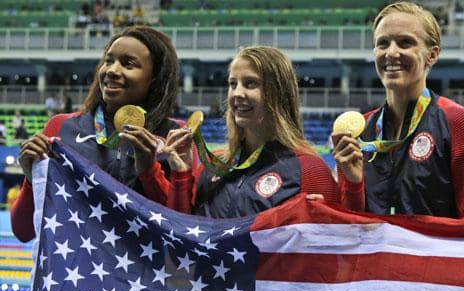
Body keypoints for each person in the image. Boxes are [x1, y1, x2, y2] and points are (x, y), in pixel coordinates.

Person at [331, 1, 464, 218]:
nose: (391, 52)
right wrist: (352, 183)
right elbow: (352, 226)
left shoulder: (459, 122)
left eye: (405, 43)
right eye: (383, 43)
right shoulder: (361, 131)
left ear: (432, 55)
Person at [11, 25, 183, 243]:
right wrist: (32, 178)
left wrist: (149, 171)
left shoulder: (174, 136)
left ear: (155, 78)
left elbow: (181, 231)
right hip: (77, 273)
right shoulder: (61, 127)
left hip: (143, 275)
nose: (111, 70)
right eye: (108, 61)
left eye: (128, 64)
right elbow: (23, 231)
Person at [158, 46, 339, 218]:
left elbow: (333, 242)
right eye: (233, 84)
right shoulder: (214, 166)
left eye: (250, 83)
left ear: (279, 93)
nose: (237, 93)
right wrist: (181, 175)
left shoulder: (310, 170)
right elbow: (182, 234)